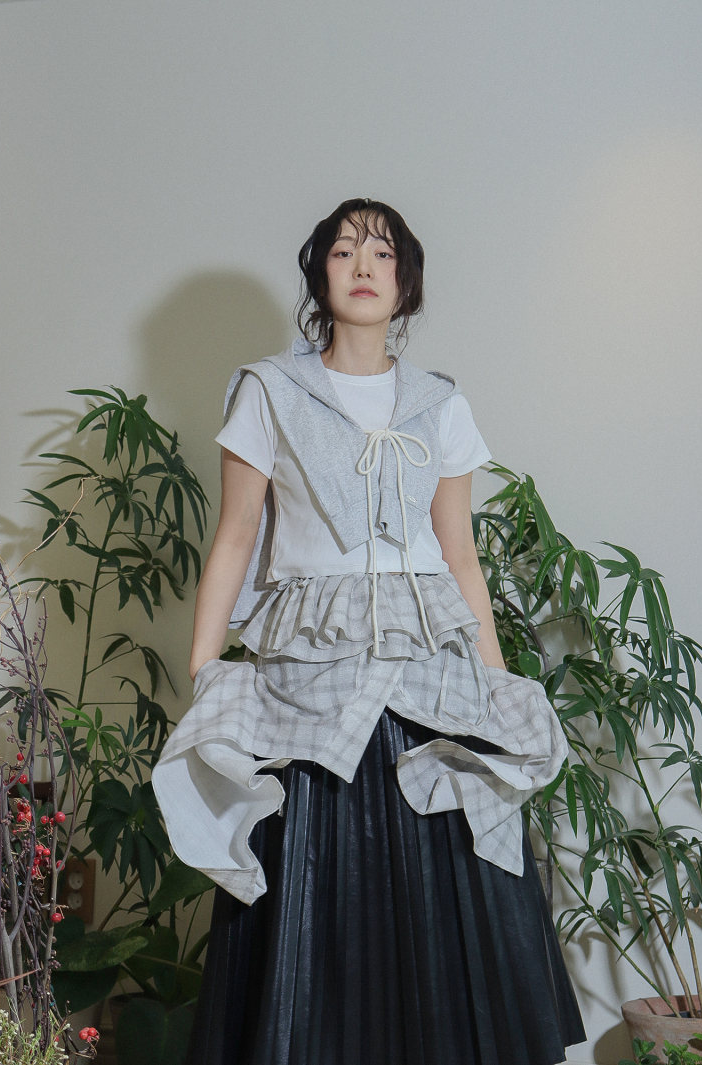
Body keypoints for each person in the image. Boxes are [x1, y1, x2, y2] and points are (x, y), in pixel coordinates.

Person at [153, 198, 586, 1065]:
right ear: (320, 273)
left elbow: (459, 556)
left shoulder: (440, 403)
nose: (363, 265)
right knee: (312, 870)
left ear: (405, 282)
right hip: (311, 665)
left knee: (452, 871)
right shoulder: (269, 390)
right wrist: (204, 668)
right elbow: (237, 532)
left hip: (430, 659)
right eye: (345, 250)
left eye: (382, 253)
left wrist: (496, 682)